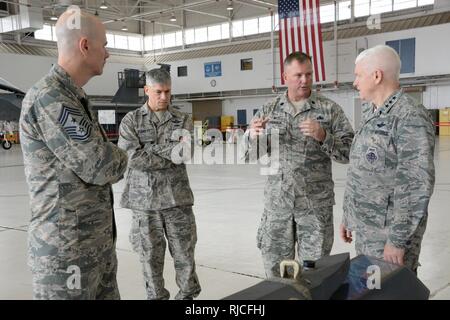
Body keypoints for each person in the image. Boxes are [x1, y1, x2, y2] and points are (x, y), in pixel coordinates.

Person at [19, 9, 128, 299]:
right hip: (66, 257)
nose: (107, 53)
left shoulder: (73, 96)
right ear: (84, 45)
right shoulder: (51, 98)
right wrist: (124, 153)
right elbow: (100, 165)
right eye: (104, 44)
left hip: (92, 247)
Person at [244, 52, 354, 277]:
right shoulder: (269, 109)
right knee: (276, 274)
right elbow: (249, 155)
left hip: (314, 208)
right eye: (298, 75)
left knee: (315, 275)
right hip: (278, 207)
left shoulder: (329, 109)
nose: (304, 80)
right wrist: (253, 136)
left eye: (308, 74)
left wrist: (324, 136)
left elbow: (349, 152)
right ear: (285, 76)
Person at [340, 45, 435, 273]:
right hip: (367, 231)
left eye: (358, 75)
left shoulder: (409, 116)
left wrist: (397, 240)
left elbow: (415, 183)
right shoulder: (372, 113)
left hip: (388, 238)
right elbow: (362, 170)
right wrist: (349, 215)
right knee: (369, 293)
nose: (355, 82)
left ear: (376, 76)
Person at [118, 68, 201, 300]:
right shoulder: (131, 120)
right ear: (146, 90)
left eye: (168, 92)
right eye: (159, 92)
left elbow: (185, 152)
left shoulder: (182, 119)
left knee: (185, 256)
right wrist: (167, 151)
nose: (164, 97)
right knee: (150, 258)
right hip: (144, 205)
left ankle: (187, 299)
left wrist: (150, 150)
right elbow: (132, 158)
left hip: (177, 202)